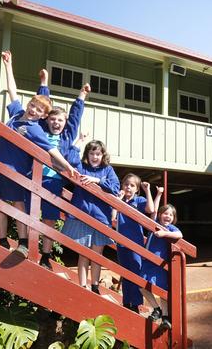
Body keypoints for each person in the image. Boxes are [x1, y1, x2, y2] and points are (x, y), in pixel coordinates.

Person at [0, 51, 78, 258]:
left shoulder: (36, 129)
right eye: (33, 105)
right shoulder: (17, 114)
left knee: (18, 204)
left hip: (16, 170)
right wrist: (8, 65)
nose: (34, 110)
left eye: (39, 110)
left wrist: (68, 167)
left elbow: (51, 150)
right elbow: (12, 90)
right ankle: (1, 240)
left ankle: (23, 242)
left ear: (43, 115)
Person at [31, 69, 90, 270]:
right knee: (29, 214)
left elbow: (75, 117)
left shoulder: (66, 136)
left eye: (60, 120)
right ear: (47, 120)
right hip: (34, 177)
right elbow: (44, 105)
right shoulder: (40, 130)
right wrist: (44, 82)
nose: (56, 122)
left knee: (49, 219)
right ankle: (27, 246)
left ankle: (45, 256)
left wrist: (81, 96)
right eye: (53, 119)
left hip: (54, 182)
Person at [61, 140, 119, 293]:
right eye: (92, 153)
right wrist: (78, 141)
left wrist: (97, 180)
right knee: (83, 253)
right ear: (87, 154)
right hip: (81, 216)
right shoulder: (81, 167)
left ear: (103, 155)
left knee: (97, 255)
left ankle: (94, 286)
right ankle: (82, 285)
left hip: (101, 218)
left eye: (98, 154)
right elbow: (71, 160)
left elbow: (116, 188)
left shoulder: (108, 170)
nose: (95, 156)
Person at [112, 173, 154, 313]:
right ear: (122, 185)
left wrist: (147, 190)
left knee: (136, 273)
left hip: (135, 244)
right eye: (126, 184)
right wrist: (118, 201)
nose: (128, 187)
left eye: (132, 185)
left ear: (137, 189)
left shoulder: (139, 200)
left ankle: (136, 304)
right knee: (125, 273)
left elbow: (151, 209)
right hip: (121, 243)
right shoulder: (119, 199)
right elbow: (113, 218)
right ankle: (126, 302)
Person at [140, 203, 183, 331]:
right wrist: (158, 194)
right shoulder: (153, 224)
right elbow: (152, 209)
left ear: (173, 218)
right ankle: (156, 309)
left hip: (161, 265)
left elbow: (180, 235)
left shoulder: (171, 228)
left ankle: (165, 317)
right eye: (165, 213)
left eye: (171, 214)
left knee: (163, 291)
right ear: (160, 215)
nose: (168, 216)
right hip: (148, 262)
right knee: (141, 285)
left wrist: (165, 234)